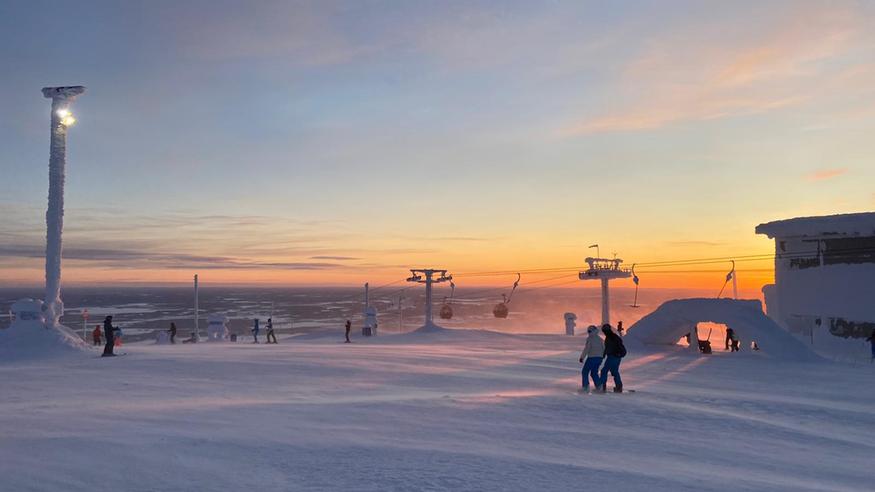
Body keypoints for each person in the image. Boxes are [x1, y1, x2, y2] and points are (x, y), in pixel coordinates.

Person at [598, 324, 626, 393]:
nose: (604, 332)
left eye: (604, 331)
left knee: (604, 371)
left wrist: (603, 355)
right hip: (618, 357)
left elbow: (608, 348)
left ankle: (602, 386)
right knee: (615, 371)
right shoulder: (614, 336)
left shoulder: (610, 338)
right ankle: (619, 386)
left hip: (612, 357)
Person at [578, 325, 604, 393]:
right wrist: (601, 357)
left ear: (592, 331)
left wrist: (582, 357)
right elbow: (604, 348)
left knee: (585, 371)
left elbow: (587, 349)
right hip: (599, 358)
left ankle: (585, 387)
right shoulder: (600, 339)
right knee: (594, 372)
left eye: (589, 331)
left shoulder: (590, 339)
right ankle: (599, 386)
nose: (588, 332)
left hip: (592, 358)